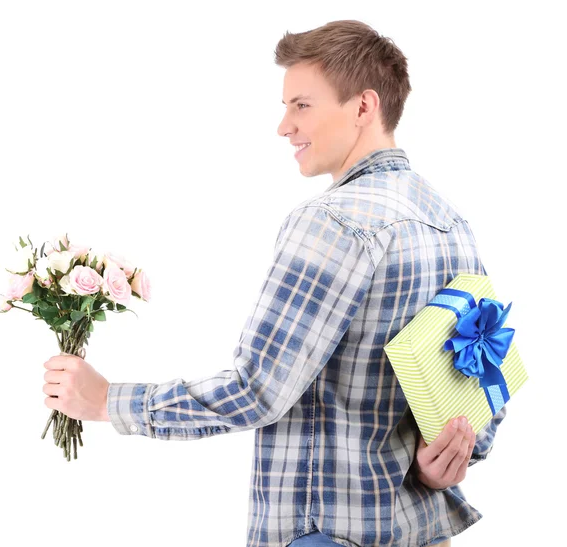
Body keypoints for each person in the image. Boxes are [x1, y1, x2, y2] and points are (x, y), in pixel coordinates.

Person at [42, 19, 506, 547]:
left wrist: (108, 401)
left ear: (363, 107)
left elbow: (257, 390)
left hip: (329, 533)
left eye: (301, 105)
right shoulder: (450, 223)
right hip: (420, 532)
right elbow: (482, 385)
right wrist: (437, 464)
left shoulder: (333, 221)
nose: (283, 126)